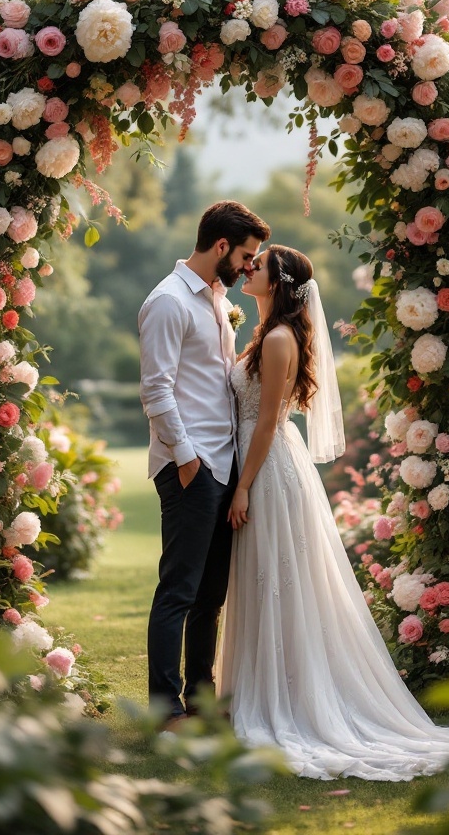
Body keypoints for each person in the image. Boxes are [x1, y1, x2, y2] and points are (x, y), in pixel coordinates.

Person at [216, 244, 449, 781]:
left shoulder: (281, 339)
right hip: (261, 462)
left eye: (256, 265)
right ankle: (262, 690)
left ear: (279, 282)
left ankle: (287, 702)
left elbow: (265, 424)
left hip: (266, 470)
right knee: (268, 579)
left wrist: (242, 487)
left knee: (278, 580)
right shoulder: (267, 335)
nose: (247, 268)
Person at [138, 201, 270, 729]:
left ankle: (201, 697)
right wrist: (189, 461)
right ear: (221, 247)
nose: (247, 266)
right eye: (244, 255)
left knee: (210, 595)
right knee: (179, 589)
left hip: (224, 462)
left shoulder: (215, 299)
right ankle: (164, 707)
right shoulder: (168, 302)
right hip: (191, 467)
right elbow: (156, 390)